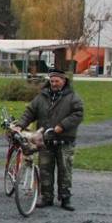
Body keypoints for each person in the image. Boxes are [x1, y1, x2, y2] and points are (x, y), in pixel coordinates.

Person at [13, 69, 84, 210]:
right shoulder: (42, 96)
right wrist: (20, 125)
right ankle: (46, 197)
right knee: (45, 169)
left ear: (64, 81)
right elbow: (30, 112)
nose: (54, 84)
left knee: (65, 170)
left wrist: (62, 126)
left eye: (57, 81)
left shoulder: (72, 97)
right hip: (45, 139)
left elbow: (78, 114)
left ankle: (65, 198)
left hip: (65, 140)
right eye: (52, 81)